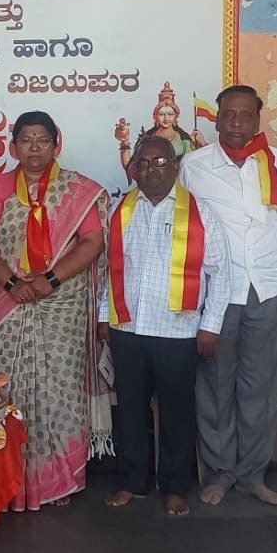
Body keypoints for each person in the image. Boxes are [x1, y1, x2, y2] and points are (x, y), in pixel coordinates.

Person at [0, 110, 108, 510]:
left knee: (61, 389)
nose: (34, 148)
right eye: (26, 140)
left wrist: (50, 280)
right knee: (11, 391)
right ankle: (12, 483)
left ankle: (59, 482)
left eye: (42, 140)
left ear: (56, 144)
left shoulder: (77, 189)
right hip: (10, 305)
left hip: (62, 303)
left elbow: (92, 242)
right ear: (13, 146)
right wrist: (12, 284)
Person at [98, 134, 230, 515]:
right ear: (134, 169)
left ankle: (175, 486)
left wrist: (211, 326)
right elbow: (110, 269)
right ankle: (132, 482)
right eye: (143, 163)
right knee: (131, 410)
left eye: (160, 163)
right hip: (128, 329)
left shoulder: (200, 212)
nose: (152, 170)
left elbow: (221, 273)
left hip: (178, 331)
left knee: (177, 412)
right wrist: (105, 315)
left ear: (175, 167)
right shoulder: (120, 209)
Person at [179, 84, 277, 507]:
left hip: (271, 287)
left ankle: (252, 474)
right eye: (228, 114)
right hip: (218, 295)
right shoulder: (194, 166)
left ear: (257, 120)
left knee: (261, 387)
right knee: (214, 386)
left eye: (245, 115)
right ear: (216, 119)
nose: (235, 123)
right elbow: (185, 229)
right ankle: (219, 473)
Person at [115, 82, 209, 176]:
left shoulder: (184, 141)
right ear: (155, 117)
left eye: (170, 114)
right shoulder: (147, 140)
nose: (166, 118)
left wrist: (203, 145)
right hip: (152, 183)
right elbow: (132, 168)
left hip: (179, 184)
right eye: (161, 114)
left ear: (176, 117)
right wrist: (124, 142)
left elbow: (195, 168)